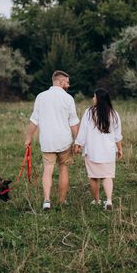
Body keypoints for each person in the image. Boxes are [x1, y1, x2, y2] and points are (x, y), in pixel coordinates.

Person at [25, 70, 79, 210]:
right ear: (60, 81)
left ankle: (47, 200)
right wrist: (77, 141)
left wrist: (28, 138)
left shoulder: (41, 97)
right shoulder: (68, 99)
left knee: (47, 170)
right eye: (67, 82)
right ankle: (62, 200)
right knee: (64, 169)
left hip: (47, 141)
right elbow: (73, 123)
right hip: (64, 141)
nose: (68, 84)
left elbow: (33, 121)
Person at [74, 88, 122, 210]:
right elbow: (117, 135)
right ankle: (109, 200)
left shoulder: (89, 112)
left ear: (99, 98)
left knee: (93, 176)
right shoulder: (114, 114)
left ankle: (97, 200)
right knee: (107, 176)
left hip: (92, 150)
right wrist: (119, 149)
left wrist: (78, 144)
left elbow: (83, 131)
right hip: (108, 151)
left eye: (94, 96)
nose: (93, 98)